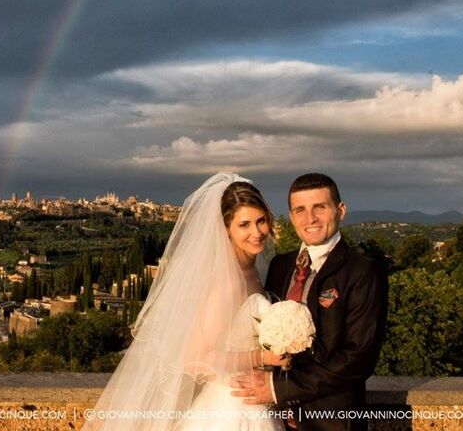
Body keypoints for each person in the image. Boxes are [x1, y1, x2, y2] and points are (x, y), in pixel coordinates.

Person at [83, 172, 287, 431]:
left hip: (253, 401)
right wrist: (266, 356)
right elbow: (199, 356)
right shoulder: (228, 281)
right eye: (244, 225)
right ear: (226, 229)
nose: (257, 232)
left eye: (261, 221)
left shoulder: (254, 269)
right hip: (231, 409)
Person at [232, 173, 388, 431]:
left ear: (341, 210)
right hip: (274, 419)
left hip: (330, 421)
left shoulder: (363, 271)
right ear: (292, 216)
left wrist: (278, 389)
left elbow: (359, 357)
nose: (310, 219)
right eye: (300, 210)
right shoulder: (280, 266)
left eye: (320, 207)